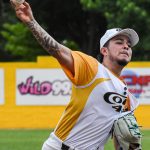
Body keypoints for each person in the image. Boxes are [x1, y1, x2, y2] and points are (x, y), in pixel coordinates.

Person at [11, 1, 142, 150]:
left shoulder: (127, 95)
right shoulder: (92, 68)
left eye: (129, 45)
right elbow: (57, 50)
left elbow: (121, 136)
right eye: (119, 42)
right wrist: (31, 22)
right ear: (104, 51)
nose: (126, 46)